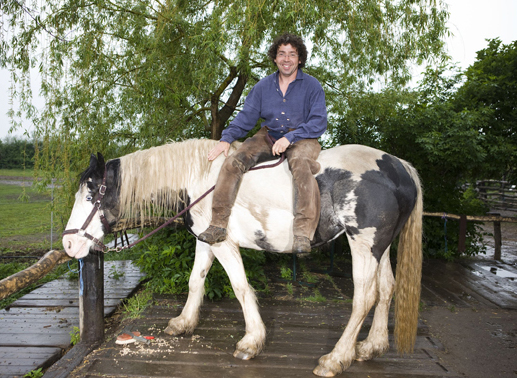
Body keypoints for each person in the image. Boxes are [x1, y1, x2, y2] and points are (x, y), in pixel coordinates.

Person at [198, 33, 327, 254]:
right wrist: (226, 139)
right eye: (282, 54)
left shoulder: (312, 86)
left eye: (292, 54)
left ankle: (303, 234)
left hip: (303, 137)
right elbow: (246, 117)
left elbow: (319, 122)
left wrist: (290, 138)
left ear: (300, 59)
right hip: (269, 135)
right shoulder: (262, 87)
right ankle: (218, 224)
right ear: (275, 58)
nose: (287, 59)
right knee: (232, 163)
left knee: (301, 166)